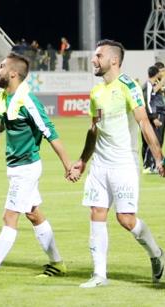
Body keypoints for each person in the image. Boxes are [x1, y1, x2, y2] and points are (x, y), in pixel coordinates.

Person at [69, 39, 165, 288]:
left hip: (123, 163)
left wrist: (158, 157)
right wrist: (82, 160)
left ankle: (156, 253)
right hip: (99, 165)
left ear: (113, 60)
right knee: (96, 213)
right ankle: (99, 274)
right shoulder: (96, 92)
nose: (93, 60)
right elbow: (94, 130)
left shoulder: (128, 86)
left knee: (126, 219)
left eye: (98, 56)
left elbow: (144, 122)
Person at [0, 53, 71, 283]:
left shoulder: (28, 100)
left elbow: (50, 132)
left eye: (2, 66)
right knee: (34, 214)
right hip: (17, 167)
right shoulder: (9, 97)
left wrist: (68, 165)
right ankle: (58, 263)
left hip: (26, 168)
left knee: (9, 217)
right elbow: (6, 118)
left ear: (13, 73)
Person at [142, 66, 165, 173]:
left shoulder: (151, 84)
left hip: (154, 114)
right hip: (153, 115)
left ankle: (155, 165)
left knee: (156, 141)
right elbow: (147, 103)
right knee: (153, 141)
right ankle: (148, 166)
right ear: (157, 73)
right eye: (161, 71)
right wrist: (154, 117)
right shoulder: (148, 85)